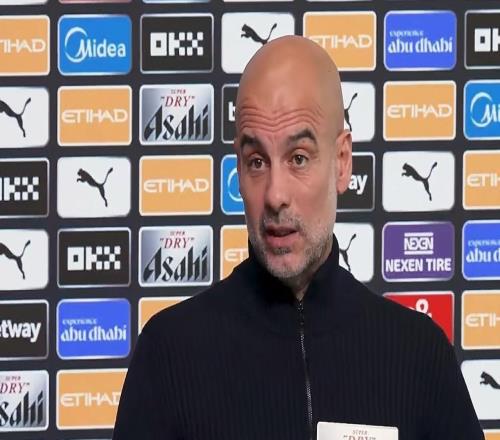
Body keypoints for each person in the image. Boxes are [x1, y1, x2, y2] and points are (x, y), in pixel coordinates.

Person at [113, 36, 484, 440]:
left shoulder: (420, 355)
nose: (275, 195)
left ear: (342, 162)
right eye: (257, 161)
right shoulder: (168, 354)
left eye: (299, 158)